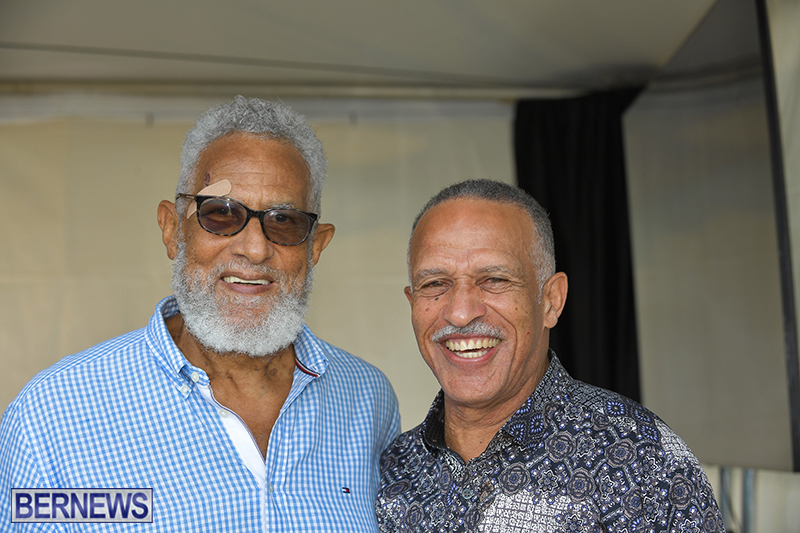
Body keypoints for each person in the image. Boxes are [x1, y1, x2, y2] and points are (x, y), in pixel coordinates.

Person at [0, 96, 400, 531]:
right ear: (173, 230)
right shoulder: (54, 416)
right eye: (221, 215)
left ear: (315, 246)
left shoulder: (367, 401)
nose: (254, 248)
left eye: (284, 221)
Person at [376, 179, 724, 533]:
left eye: (494, 279)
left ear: (551, 301)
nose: (461, 313)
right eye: (435, 283)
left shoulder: (642, 460)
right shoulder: (389, 470)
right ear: (412, 303)